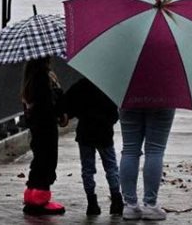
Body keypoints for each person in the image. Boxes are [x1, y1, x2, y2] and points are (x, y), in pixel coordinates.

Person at [63, 78, 124, 216]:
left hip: (85, 132)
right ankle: (116, 200)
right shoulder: (107, 86)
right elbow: (114, 115)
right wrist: (107, 121)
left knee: (87, 169)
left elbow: (68, 105)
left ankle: (91, 203)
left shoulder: (80, 85)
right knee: (111, 167)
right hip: (104, 133)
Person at [20, 57, 65, 216]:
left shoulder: (29, 79)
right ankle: (40, 199)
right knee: (48, 160)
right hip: (47, 127)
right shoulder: (43, 78)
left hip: (36, 127)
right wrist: (57, 91)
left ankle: (32, 195)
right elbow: (49, 104)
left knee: (39, 160)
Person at [119, 107, 176, 220]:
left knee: (130, 150)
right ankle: (150, 205)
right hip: (163, 101)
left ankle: (130, 205)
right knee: (155, 151)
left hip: (130, 101)